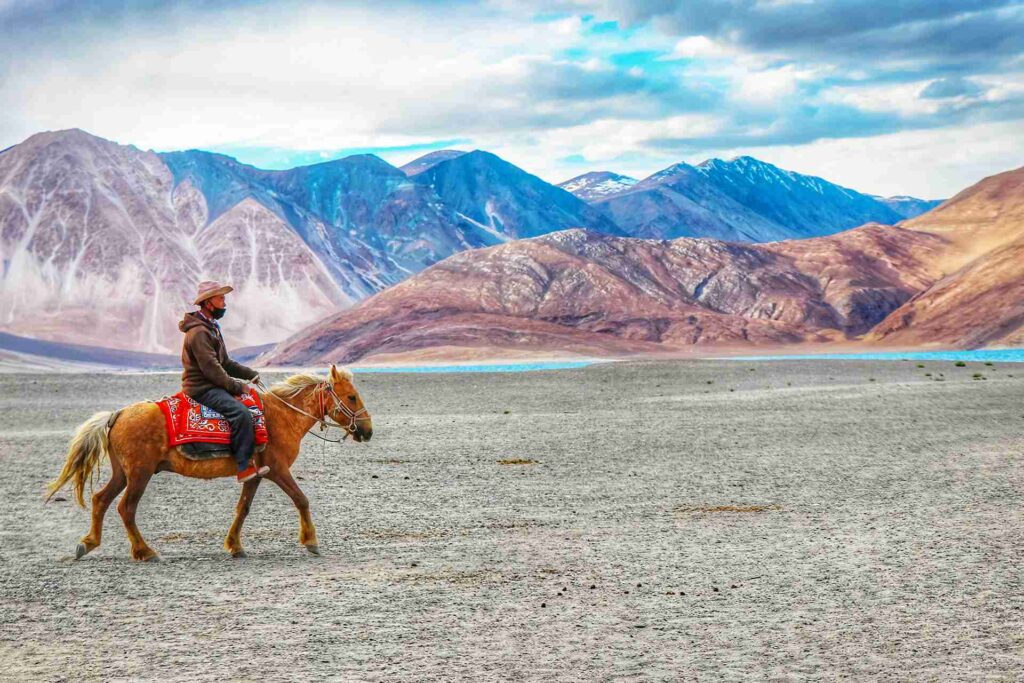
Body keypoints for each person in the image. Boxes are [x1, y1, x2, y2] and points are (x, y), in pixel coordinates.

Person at [179, 281, 270, 483]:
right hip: (202, 388)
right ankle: (243, 467)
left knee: (254, 404)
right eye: (220, 299)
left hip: (211, 384)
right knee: (241, 413)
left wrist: (250, 374)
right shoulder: (199, 333)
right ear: (208, 303)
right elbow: (212, 369)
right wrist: (237, 386)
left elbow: (225, 362)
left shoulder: (211, 328)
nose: (224, 304)